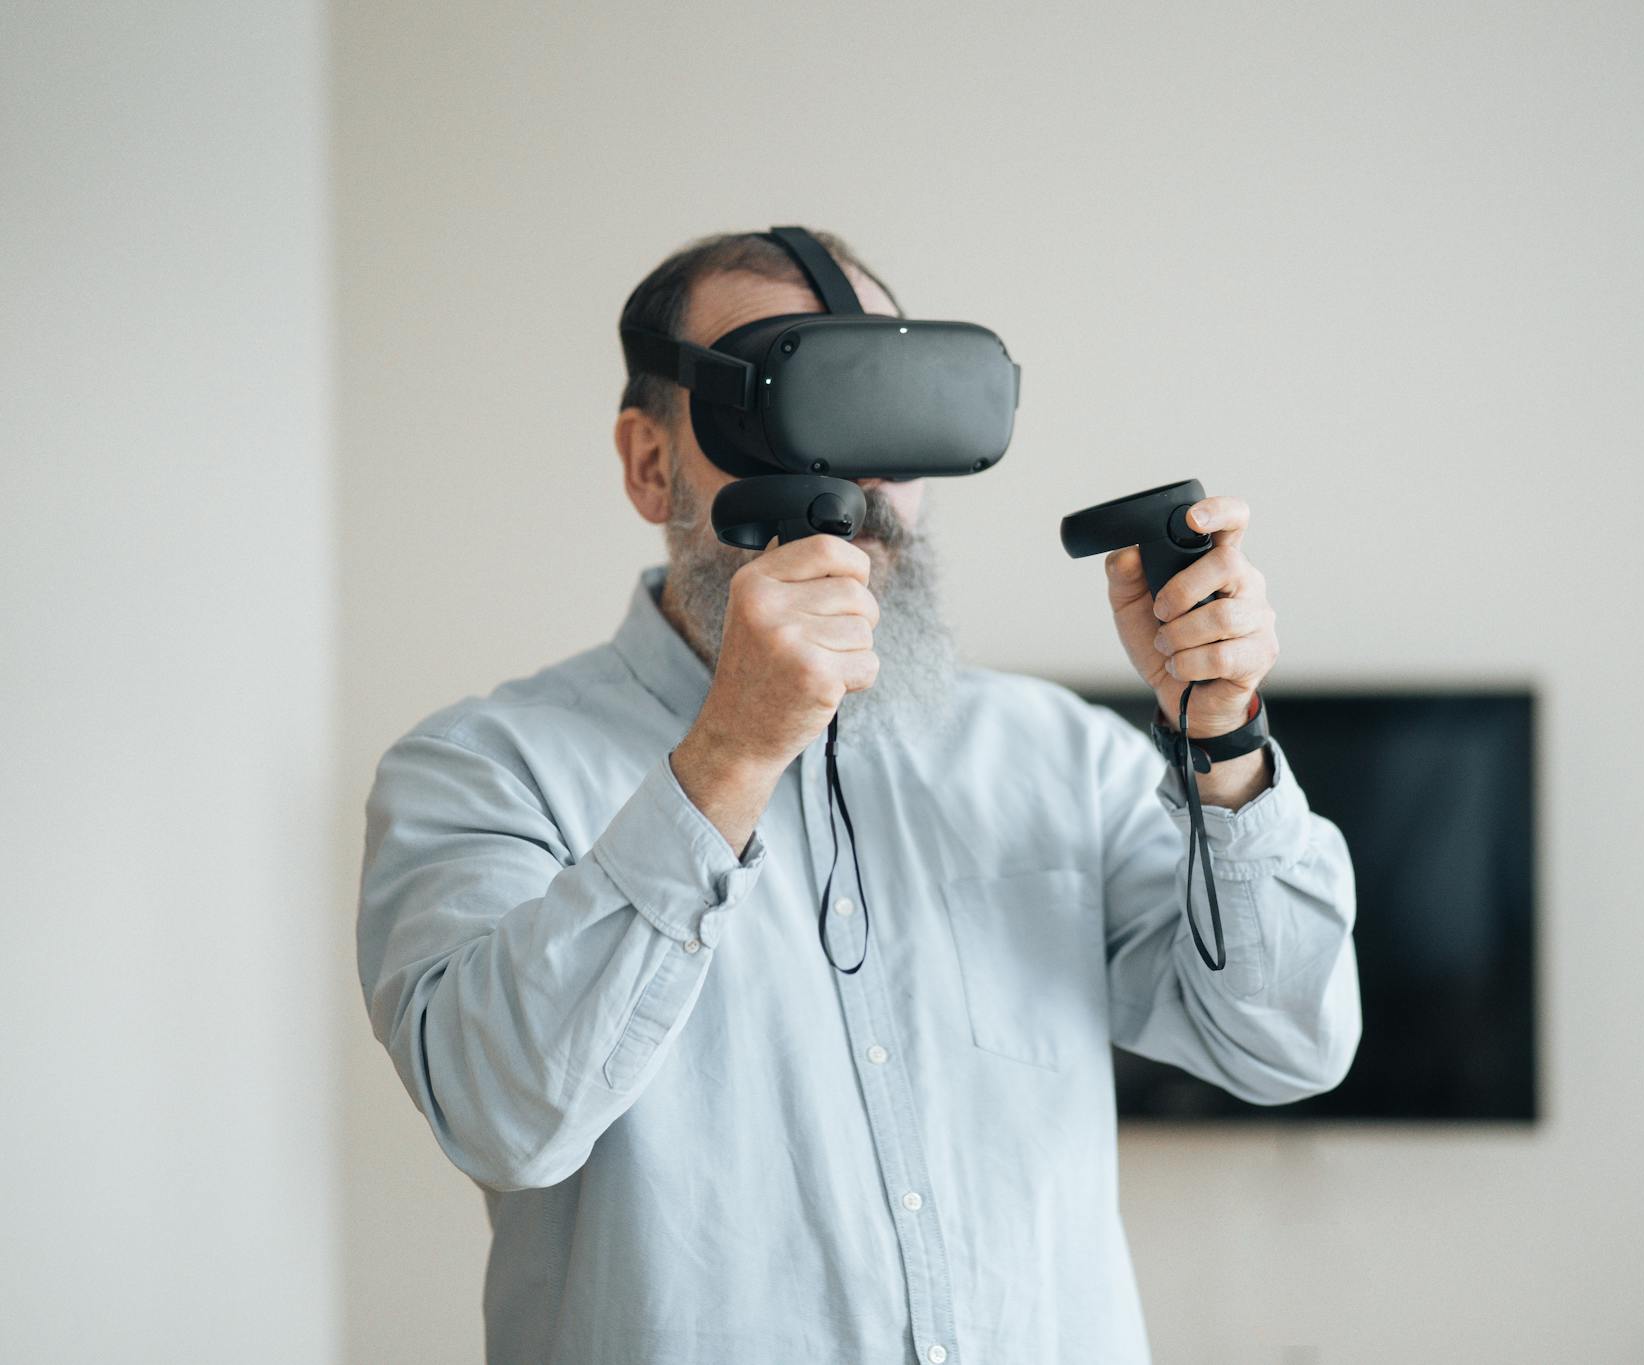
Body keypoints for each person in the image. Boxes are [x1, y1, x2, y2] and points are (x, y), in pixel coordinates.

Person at [356, 228, 1362, 1365]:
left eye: (891, 405)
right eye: (785, 403)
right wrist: (729, 756)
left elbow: (1286, 1044)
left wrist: (1222, 737)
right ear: (650, 463)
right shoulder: (484, 770)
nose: (859, 480)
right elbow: (500, 1118)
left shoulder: (1061, 757)